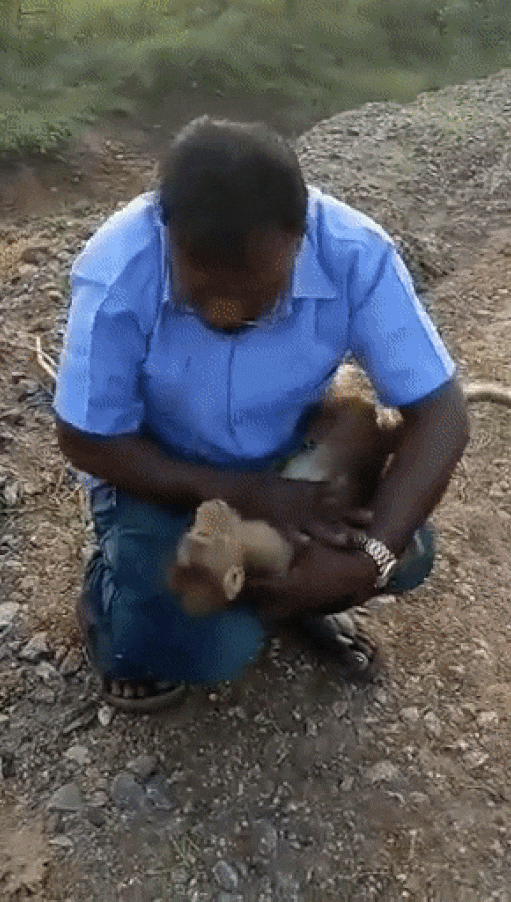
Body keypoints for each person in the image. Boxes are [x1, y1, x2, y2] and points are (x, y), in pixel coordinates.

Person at [54, 116, 469, 713]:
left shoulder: (353, 251)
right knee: (213, 649)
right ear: (166, 233)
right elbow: (86, 438)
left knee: (404, 552)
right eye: (202, 296)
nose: (226, 314)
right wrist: (248, 493)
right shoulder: (119, 266)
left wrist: (365, 561)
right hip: (157, 473)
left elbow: (442, 413)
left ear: (300, 236)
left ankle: (289, 598)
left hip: (284, 456)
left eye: (257, 295)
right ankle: (110, 597)